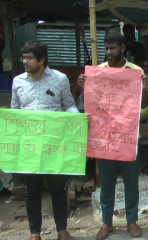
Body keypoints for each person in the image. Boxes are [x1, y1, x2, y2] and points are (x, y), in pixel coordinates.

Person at [77, 32, 148, 239]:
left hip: (127, 137)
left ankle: (132, 221)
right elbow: (89, 104)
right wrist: (82, 85)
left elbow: (144, 105)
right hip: (104, 138)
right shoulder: (98, 72)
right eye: (106, 48)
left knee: (131, 182)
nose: (109, 52)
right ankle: (106, 222)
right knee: (106, 183)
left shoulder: (136, 72)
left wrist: (144, 87)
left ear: (122, 48)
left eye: (113, 48)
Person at [11, 41, 86, 240]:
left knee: (57, 188)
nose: (24, 61)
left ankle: (62, 230)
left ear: (42, 60)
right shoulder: (18, 81)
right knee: (32, 190)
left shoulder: (59, 79)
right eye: (23, 57)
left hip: (55, 144)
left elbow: (69, 105)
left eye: (29, 58)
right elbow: (14, 112)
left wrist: (76, 118)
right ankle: (34, 233)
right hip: (30, 146)